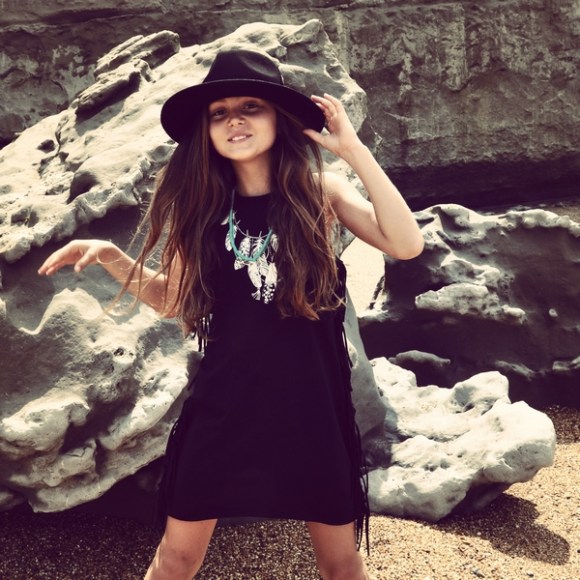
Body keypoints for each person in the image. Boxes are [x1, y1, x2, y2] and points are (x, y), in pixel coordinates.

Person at [38, 48, 424, 580]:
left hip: (312, 404)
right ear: (207, 130)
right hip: (224, 405)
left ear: (278, 119)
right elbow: (173, 301)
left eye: (250, 107)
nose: (234, 120)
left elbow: (405, 244)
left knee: (340, 562)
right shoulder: (200, 208)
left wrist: (353, 152)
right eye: (219, 113)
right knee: (176, 557)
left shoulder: (320, 193)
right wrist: (110, 256)